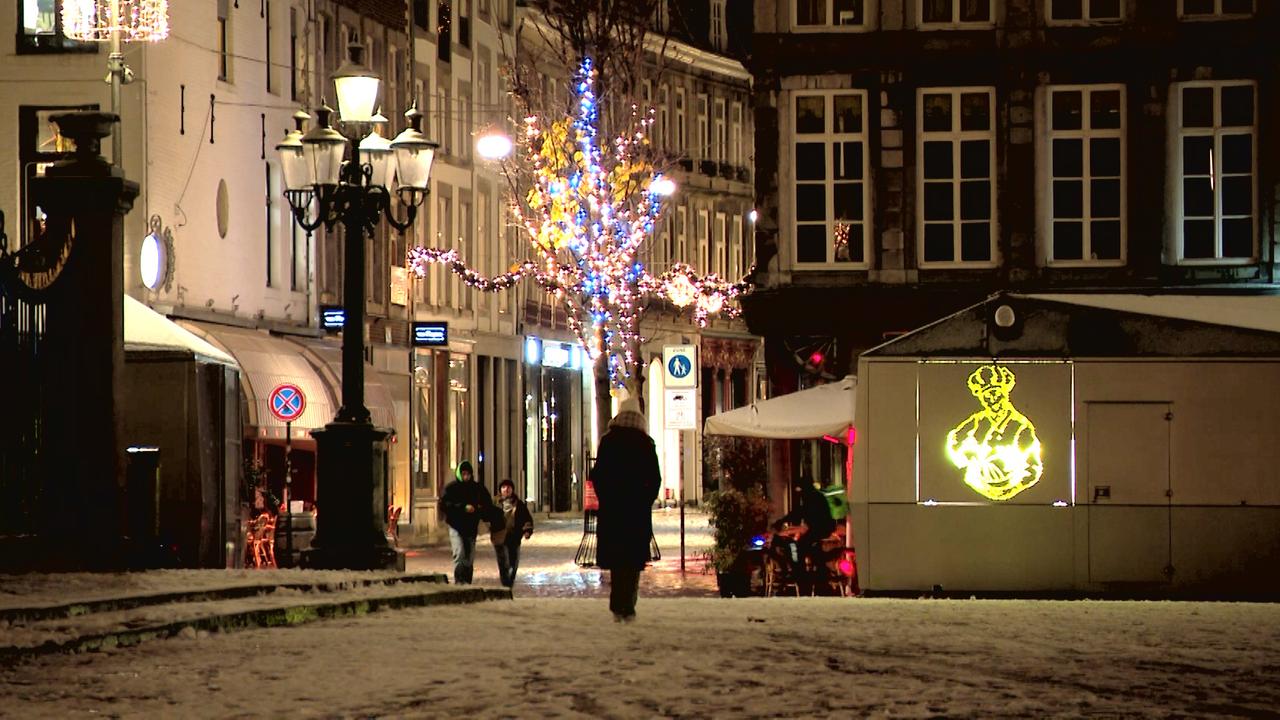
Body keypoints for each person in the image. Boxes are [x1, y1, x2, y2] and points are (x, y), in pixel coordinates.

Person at [590, 398, 661, 623]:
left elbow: (597, 475)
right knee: (633, 562)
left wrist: (607, 499)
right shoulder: (645, 443)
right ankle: (628, 605)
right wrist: (644, 500)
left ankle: (616, 605)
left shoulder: (608, 441)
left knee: (618, 561)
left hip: (613, 512)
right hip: (636, 513)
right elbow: (655, 479)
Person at [441, 460, 494, 585]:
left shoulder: (477, 488)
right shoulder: (451, 488)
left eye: (468, 474)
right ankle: (459, 581)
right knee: (459, 553)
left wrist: (479, 510)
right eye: (463, 474)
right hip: (456, 526)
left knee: (469, 557)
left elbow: (487, 504)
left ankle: (467, 581)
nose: (466, 477)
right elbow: (445, 505)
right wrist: (462, 507)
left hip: (471, 527)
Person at [490, 479, 534, 589]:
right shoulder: (495, 503)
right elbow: (487, 516)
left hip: (514, 537)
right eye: (504, 487)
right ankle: (506, 585)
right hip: (499, 537)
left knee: (513, 563)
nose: (506, 489)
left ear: (512, 489)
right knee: (503, 562)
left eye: (509, 487)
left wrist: (527, 531)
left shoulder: (519, 504)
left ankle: (510, 582)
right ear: (500, 489)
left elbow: (526, 518)